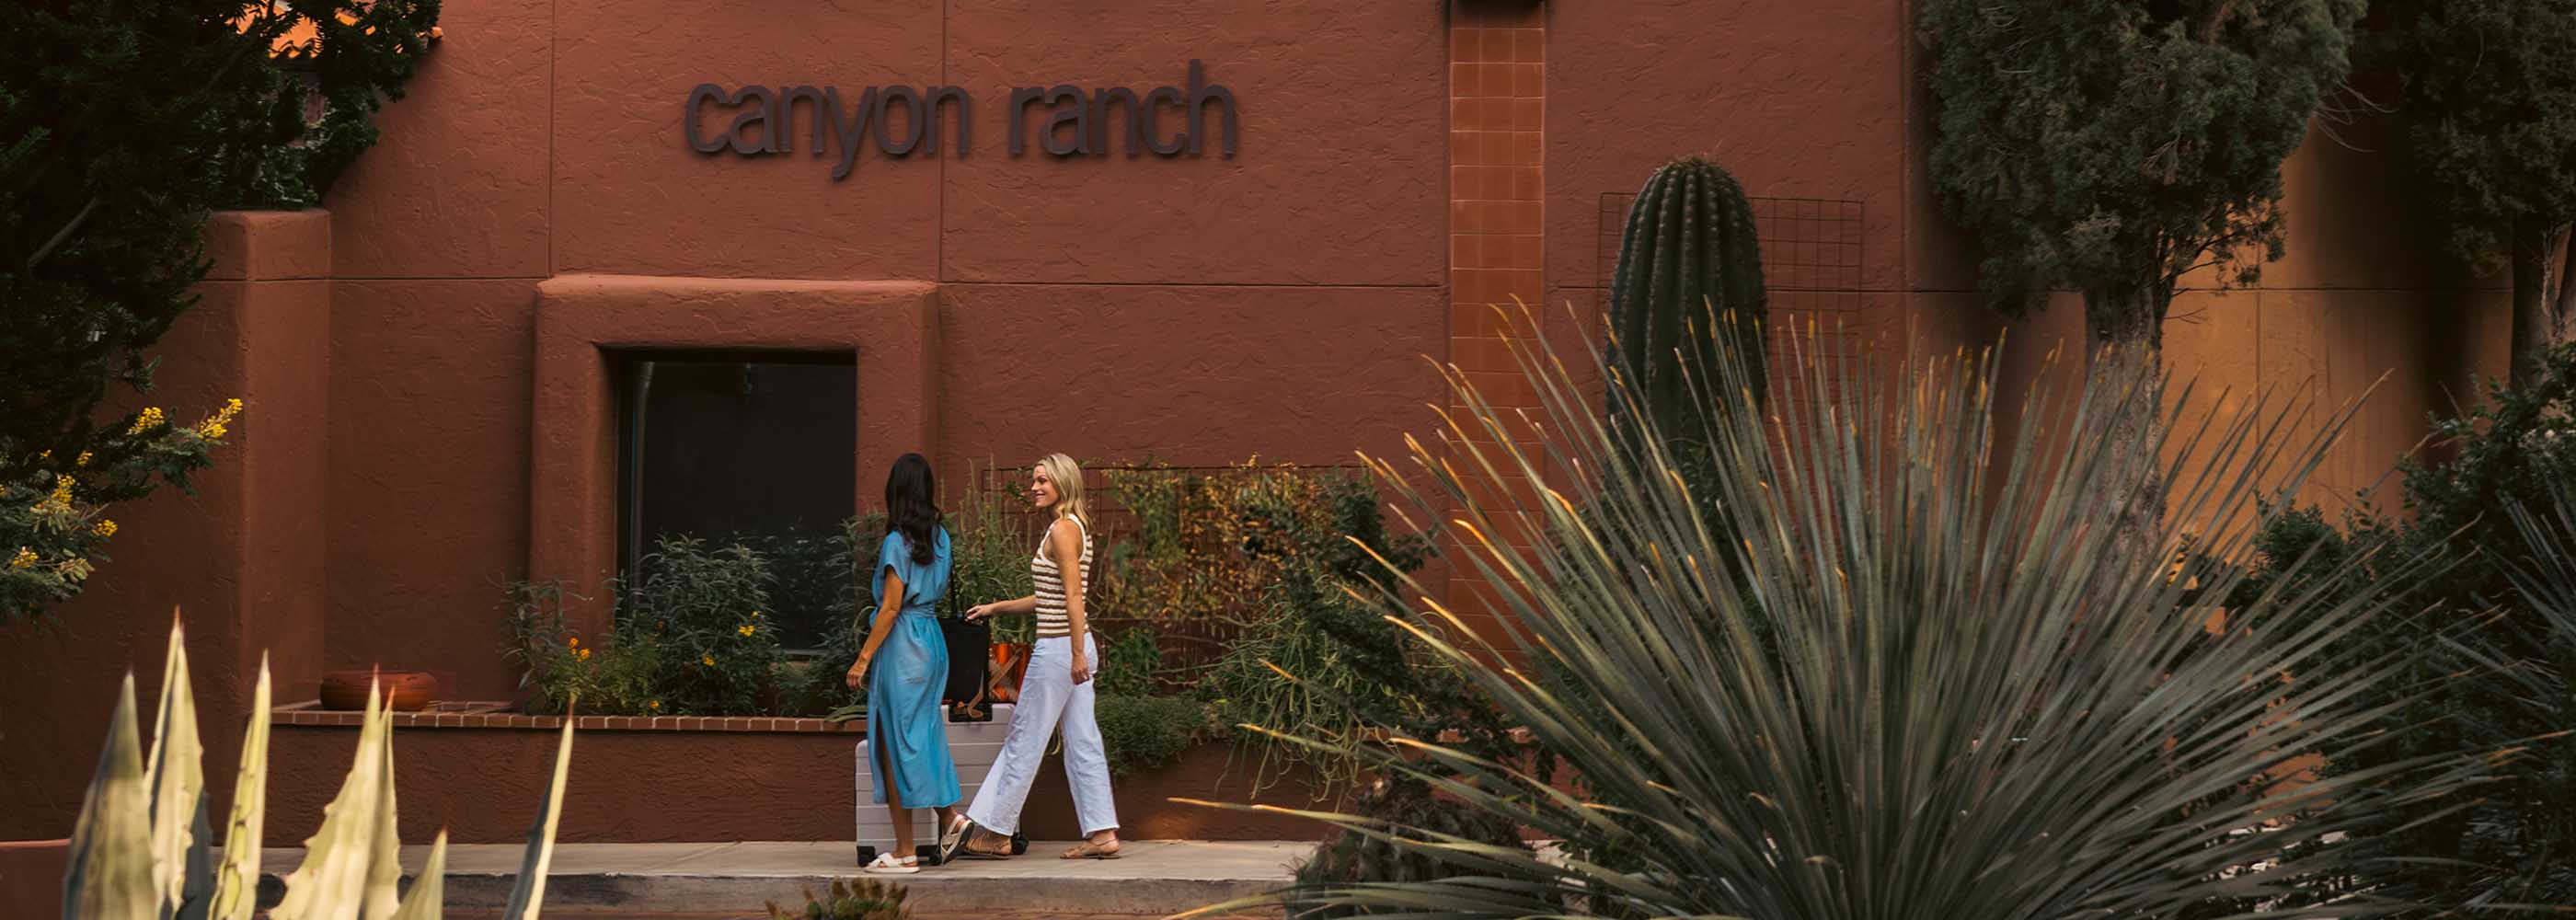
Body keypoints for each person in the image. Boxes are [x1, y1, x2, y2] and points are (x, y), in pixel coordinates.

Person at [942, 453, 1122, 861]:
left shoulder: (1062, 529)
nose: (1035, 487)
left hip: (1061, 649)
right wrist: (997, 608)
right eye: (1034, 480)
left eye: (1043, 480)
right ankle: (1103, 833)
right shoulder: (1073, 526)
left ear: (1063, 483)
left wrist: (1075, 654)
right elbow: (1052, 596)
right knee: (1083, 740)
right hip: (1072, 647)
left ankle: (996, 832)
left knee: (1024, 737)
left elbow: (1074, 596)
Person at [846, 453, 963, 874]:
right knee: (917, 736)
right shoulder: (940, 538)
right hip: (931, 641)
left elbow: (892, 607)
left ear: (895, 491)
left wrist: (862, 659)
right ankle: (939, 824)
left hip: (903, 645)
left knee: (896, 743)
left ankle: (911, 846)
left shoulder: (898, 542)